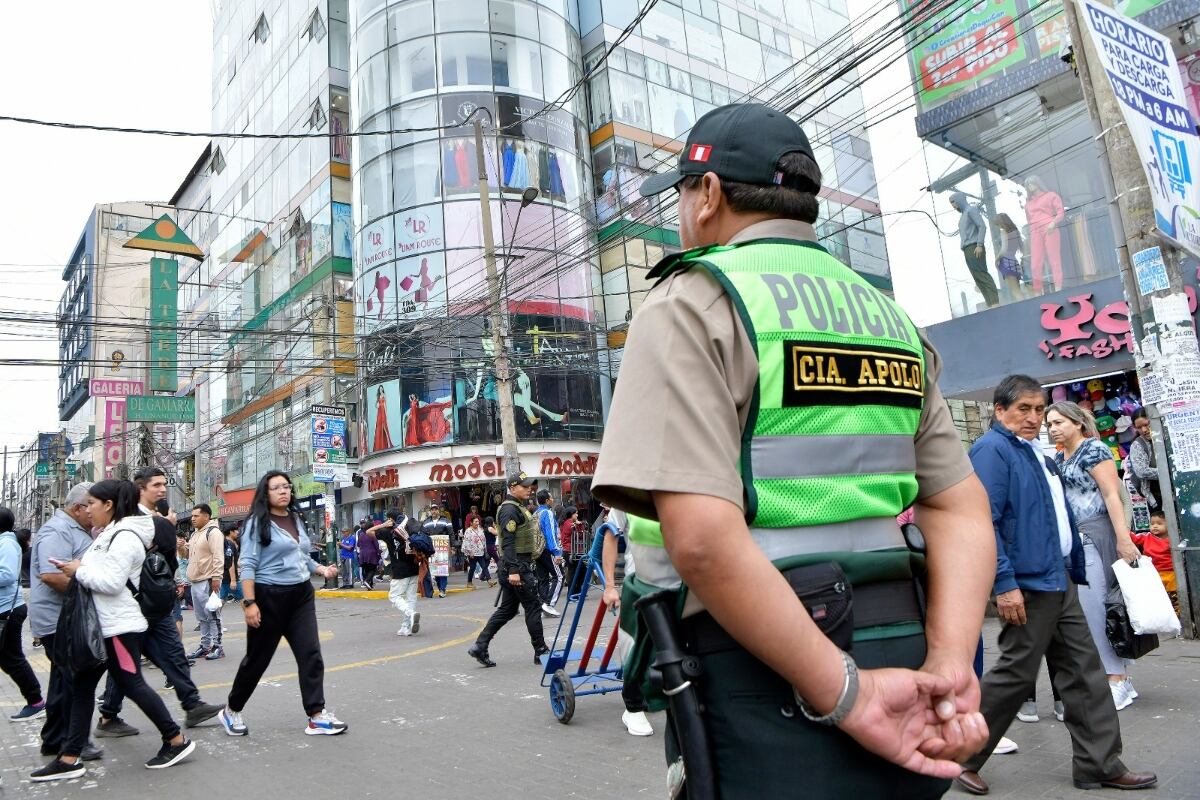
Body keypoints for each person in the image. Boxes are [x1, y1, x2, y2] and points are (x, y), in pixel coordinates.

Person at [592, 102, 996, 798]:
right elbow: (960, 508)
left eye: (684, 195)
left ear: (709, 193)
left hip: (766, 663)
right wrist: (952, 663)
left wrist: (848, 696)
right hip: (907, 650)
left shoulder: (693, 301)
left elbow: (706, 543)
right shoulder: (889, 319)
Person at [958, 375, 1155, 794]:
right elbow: (983, 522)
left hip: (1058, 579)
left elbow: (1051, 515)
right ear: (999, 411)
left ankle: (1098, 764)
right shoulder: (992, 451)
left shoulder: (1035, 453)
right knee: (1014, 674)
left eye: (1038, 409)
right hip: (1028, 585)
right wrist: (1005, 582)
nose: (1034, 418)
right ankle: (960, 757)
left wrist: (1073, 565)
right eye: (1023, 409)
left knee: (1084, 674)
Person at [31, 479, 196, 781]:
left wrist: (77, 570)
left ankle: (176, 740)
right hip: (104, 627)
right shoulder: (110, 533)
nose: (87, 509)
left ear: (108, 505)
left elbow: (111, 582)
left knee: (133, 684)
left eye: (92, 503)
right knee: (82, 687)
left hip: (119, 628)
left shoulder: (125, 536)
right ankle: (69, 757)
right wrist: (80, 565)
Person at [96, 466, 221, 737]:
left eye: (164, 484)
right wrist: (165, 527)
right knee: (126, 665)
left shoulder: (157, 519)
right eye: (156, 485)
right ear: (140, 489)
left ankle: (192, 704)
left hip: (156, 602)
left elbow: (167, 559)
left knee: (174, 653)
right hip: (136, 603)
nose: (163, 489)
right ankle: (108, 716)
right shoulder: (133, 520)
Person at [219, 470, 346, 737]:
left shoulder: (295, 518)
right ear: (266, 493)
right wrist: (249, 602)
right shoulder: (256, 523)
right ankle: (231, 709)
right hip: (268, 597)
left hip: (300, 595)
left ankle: (316, 715)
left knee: (310, 654)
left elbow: (301, 555)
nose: (283, 491)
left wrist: (320, 569)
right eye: (276, 487)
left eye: (286, 487)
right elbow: (248, 564)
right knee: (257, 660)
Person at [1047, 401, 1142, 708]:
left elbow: (1112, 494)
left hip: (1096, 532)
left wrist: (1124, 539)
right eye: (1049, 424)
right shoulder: (1060, 456)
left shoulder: (1095, 450)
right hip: (1074, 538)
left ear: (1077, 422)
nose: (1053, 428)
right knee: (1089, 611)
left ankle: (1117, 679)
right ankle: (1117, 677)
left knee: (1099, 607)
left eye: (1059, 422)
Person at [27, 484, 102, 760]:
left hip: (65, 618)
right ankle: (73, 741)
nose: (93, 512)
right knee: (73, 681)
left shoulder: (74, 530)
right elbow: (51, 575)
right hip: (58, 619)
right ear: (77, 508)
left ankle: (55, 739)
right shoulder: (57, 530)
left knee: (62, 681)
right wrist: (87, 592)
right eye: (91, 505)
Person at [468, 473, 550, 668]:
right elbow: (509, 541)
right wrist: (514, 570)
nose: (529, 488)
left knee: (508, 609)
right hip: (517, 566)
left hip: (517, 565)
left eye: (530, 485)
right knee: (532, 606)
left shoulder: (517, 507)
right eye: (525, 486)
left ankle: (480, 645)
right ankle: (541, 650)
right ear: (513, 488)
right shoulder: (509, 510)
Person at [595, 506, 654, 737]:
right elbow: (610, 535)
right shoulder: (627, 492)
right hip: (638, 582)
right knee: (635, 643)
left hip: (678, 580)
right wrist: (610, 586)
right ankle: (633, 707)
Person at [1, 507, 44, 721]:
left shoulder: (6, 543)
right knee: (11, 659)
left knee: (12, 659)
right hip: (7, 609)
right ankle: (36, 701)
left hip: (7, 610)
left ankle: (36, 701)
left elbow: (7, 575)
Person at [372, 510, 421, 636]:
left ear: (390, 519)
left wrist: (383, 525)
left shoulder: (388, 532)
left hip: (400, 570)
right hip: (414, 568)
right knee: (411, 597)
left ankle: (411, 614)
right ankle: (406, 627)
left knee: (394, 596)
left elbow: (369, 532)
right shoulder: (410, 529)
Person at [186, 504, 226, 661]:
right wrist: (183, 548)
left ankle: (218, 647)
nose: (193, 519)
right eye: (192, 516)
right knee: (201, 617)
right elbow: (187, 556)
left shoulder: (213, 532)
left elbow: (218, 556)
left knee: (213, 615)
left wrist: (216, 577)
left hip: (209, 580)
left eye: (196, 516)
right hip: (195, 580)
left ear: (206, 517)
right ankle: (205, 646)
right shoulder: (195, 534)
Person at [950, 191, 999, 308]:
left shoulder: (971, 210)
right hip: (967, 249)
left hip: (974, 246)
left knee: (982, 275)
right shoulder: (963, 215)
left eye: (953, 201)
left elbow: (982, 226)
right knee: (977, 278)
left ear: (959, 200)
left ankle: (995, 303)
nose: (953, 205)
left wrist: (979, 244)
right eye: (951, 203)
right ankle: (990, 304)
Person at [1024, 175, 1065, 294]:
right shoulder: (1028, 204)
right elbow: (1029, 220)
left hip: (1049, 228)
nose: (1030, 186)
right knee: (1035, 264)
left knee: (1054, 260)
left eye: (1032, 183)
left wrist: (1053, 223)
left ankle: (1058, 289)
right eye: (1028, 185)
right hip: (1035, 232)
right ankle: (1038, 291)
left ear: (1037, 183)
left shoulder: (1051, 195)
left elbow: (1060, 212)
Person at [1131, 510, 1178, 614]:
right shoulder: (1146, 536)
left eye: (1159, 523)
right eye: (1152, 524)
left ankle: (1177, 615)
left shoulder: (1173, 539)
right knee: (1157, 596)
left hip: (1171, 573)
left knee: (1173, 595)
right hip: (1152, 573)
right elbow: (1132, 538)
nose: (1155, 526)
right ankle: (1160, 614)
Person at [534, 490, 563, 617]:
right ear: (547, 501)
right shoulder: (548, 513)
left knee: (543, 578)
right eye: (551, 497)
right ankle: (549, 604)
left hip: (537, 551)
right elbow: (550, 534)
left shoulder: (535, 513)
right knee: (559, 576)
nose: (552, 499)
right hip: (548, 550)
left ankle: (543, 606)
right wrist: (557, 552)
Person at [1125, 412, 1159, 509]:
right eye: (1139, 427)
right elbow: (1141, 471)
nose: (1144, 430)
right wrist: (1168, 473)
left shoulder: (1166, 438)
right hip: (1157, 496)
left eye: (1146, 424)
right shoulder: (1137, 445)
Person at [992, 213, 1026, 304]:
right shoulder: (1015, 231)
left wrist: (996, 259)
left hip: (1006, 262)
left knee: (1015, 291)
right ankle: (1025, 304)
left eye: (998, 224)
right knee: (1018, 290)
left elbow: (1003, 249)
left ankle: (1024, 308)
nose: (998, 226)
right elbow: (1021, 248)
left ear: (1001, 222)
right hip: (1014, 262)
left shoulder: (1004, 231)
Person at [421, 503, 452, 597]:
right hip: (431, 550)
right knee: (435, 570)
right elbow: (423, 535)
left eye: (436, 509)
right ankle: (440, 587)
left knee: (442, 569)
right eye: (432, 509)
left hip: (442, 549)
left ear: (439, 510)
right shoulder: (426, 522)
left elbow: (451, 534)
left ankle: (443, 589)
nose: (434, 511)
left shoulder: (446, 520)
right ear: (430, 511)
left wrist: (453, 547)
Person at [461, 516, 492, 587]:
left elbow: (483, 539)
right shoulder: (468, 531)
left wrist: (484, 548)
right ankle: (469, 582)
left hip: (480, 552)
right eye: (475, 522)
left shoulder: (480, 529)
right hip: (472, 553)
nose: (477, 523)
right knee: (472, 567)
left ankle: (489, 580)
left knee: (484, 566)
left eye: (478, 521)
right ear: (471, 523)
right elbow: (466, 542)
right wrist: (470, 552)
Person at [221, 525, 243, 603]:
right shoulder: (229, 544)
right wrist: (233, 580)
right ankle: (250, 614)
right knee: (243, 598)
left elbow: (232, 561)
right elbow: (230, 562)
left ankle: (214, 615)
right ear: (231, 532)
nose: (238, 532)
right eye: (236, 530)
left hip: (224, 576)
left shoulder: (225, 543)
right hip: (230, 577)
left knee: (222, 599)